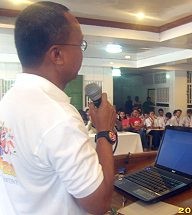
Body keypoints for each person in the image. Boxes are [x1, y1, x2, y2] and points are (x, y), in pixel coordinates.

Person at [0, 2, 115, 215]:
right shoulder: (59, 117)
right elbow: (99, 204)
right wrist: (103, 132)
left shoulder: (8, 100)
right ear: (57, 55)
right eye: (80, 45)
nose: (82, 53)